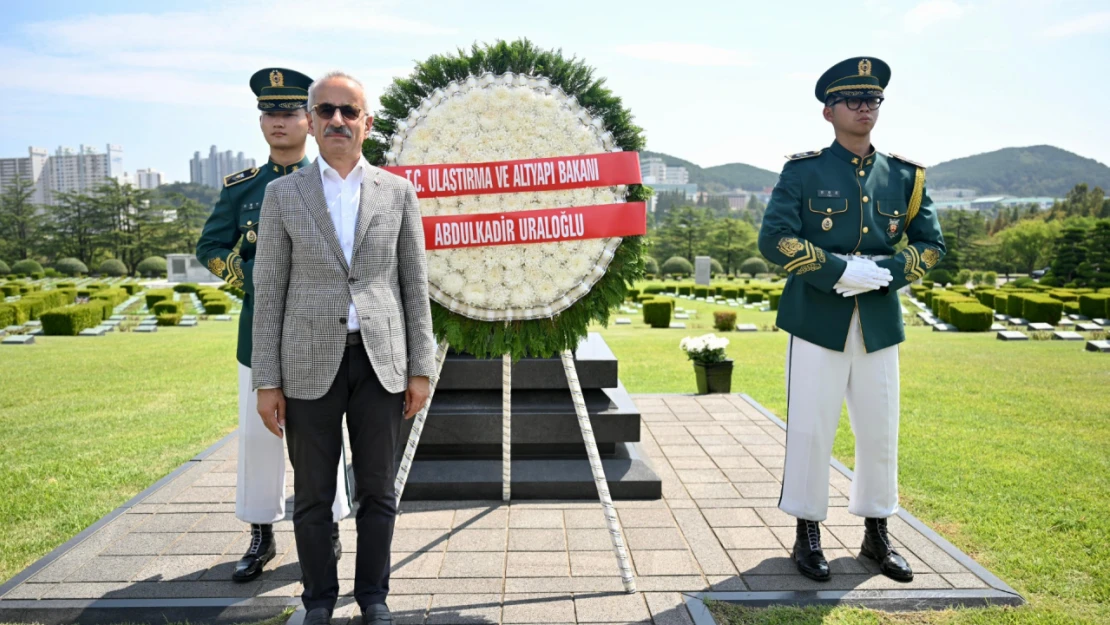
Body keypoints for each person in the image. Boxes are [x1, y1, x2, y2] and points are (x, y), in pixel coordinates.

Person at [251, 70, 436, 625]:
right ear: (310, 120)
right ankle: (319, 602)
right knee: (310, 495)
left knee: (377, 491)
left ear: (366, 122)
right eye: (326, 110)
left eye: (348, 111)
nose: (337, 120)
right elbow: (269, 291)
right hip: (306, 363)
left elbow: (414, 285)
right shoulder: (283, 195)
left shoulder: (398, 193)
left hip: (381, 363)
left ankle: (374, 598)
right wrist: (267, 380)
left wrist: (421, 368)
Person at [757, 57, 946, 583]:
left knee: (880, 429)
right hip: (818, 316)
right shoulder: (803, 170)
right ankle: (807, 532)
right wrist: (838, 269)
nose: (865, 108)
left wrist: (886, 272)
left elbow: (932, 245)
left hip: (880, 320)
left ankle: (877, 533)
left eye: (873, 100)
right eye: (853, 100)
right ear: (828, 111)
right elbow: (775, 238)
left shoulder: (905, 175)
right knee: (813, 429)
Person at [196, 67, 350, 583]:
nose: (277, 122)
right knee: (259, 439)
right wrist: (246, 278)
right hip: (258, 333)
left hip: (320, 334)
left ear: (308, 120)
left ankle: (327, 525)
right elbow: (211, 245)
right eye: (269, 113)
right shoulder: (243, 188)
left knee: (324, 437)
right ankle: (261, 532)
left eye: (287, 112)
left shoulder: (331, 184)